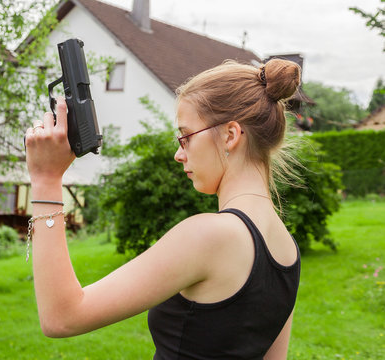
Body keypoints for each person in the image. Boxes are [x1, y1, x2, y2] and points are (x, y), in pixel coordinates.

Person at [24, 58, 301, 359]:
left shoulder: (210, 236)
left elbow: (62, 317)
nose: (178, 154)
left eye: (185, 137)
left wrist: (46, 179)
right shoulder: (287, 249)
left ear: (230, 135)